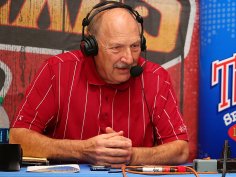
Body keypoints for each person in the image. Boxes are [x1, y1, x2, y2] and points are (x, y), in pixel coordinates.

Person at [9, 1, 189, 167]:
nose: (128, 58)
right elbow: (18, 139)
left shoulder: (156, 78)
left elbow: (180, 150)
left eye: (134, 46)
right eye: (116, 48)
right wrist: (83, 150)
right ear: (91, 46)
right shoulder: (56, 71)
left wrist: (130, 155)